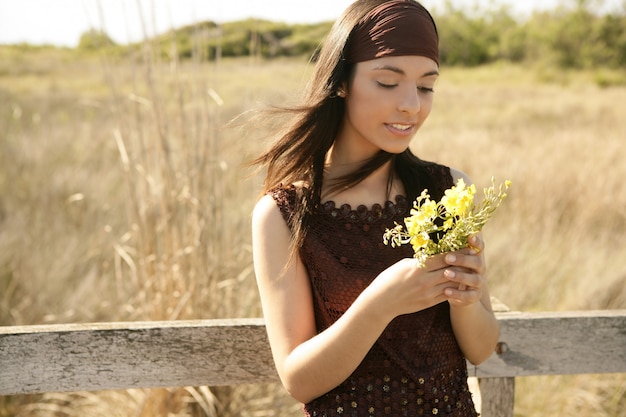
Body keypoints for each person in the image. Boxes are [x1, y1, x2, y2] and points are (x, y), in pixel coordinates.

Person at [250, 1, 499, 415]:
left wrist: (466, 299)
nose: (411, 105)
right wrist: (380, 303)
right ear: (342, 81)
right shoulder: (284, 213)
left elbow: (482, 347)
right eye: (388, 82)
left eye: (426, 86)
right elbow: (299, 381)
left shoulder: (449, 191)